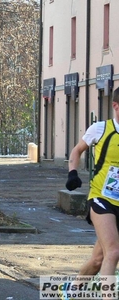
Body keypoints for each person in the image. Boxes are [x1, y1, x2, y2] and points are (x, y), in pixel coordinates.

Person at [65, 86, 119, 296]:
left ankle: (73, 290)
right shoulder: (100, 129)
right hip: (101, 198)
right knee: (113, 252)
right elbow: (77, 150)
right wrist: (72, 173)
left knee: (99, 259)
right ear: (115, 106)